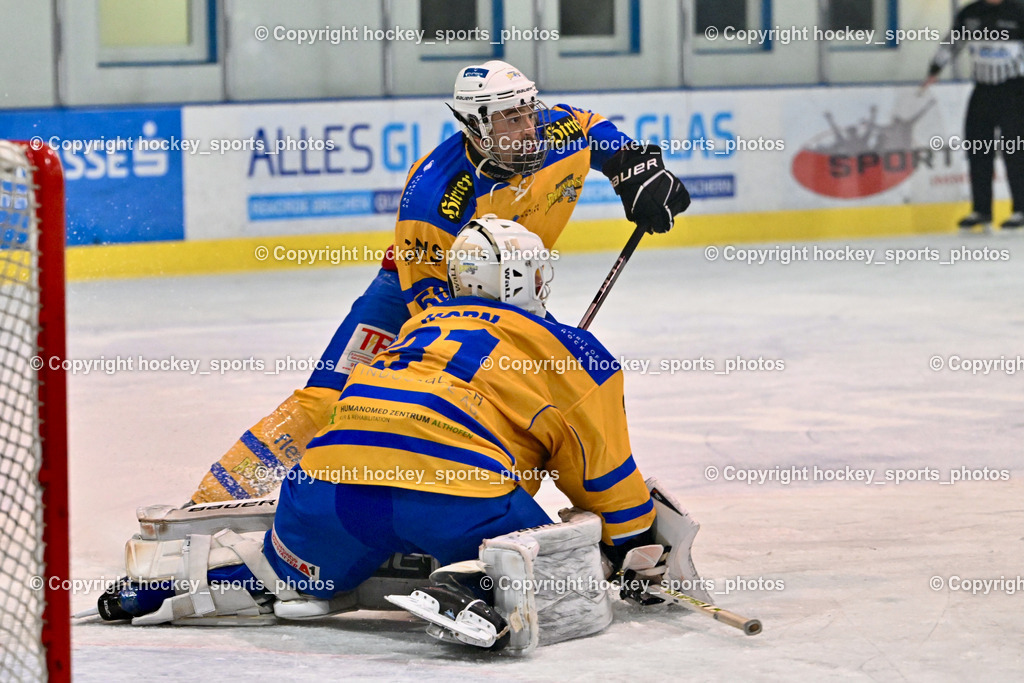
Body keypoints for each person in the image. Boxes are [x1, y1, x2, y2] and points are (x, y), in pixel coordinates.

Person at [101, 218, 682, 652]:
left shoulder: (414, 326)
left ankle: (159, 586)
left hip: (327, 491)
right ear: (531, 279)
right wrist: (632, 548)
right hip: (453, 497)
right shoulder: (576, 355)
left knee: (290, 579)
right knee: (562, 556)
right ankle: (472, 580)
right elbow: (604, 483)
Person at [188, 60, 691, 505]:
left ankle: (587, 500)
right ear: (475, 126)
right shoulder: (436, 194)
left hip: (514, 290)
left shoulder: (554, 131)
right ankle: (218, 498)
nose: (528, 127)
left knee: (567, 380)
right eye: (510, 118)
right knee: (327, 399)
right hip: (409, 292)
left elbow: (594, 131)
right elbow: (432, 310)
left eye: (528, 111)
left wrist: (636, 170)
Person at [923, 0, 1024, 231]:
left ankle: (1021, 209)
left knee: (1015, 151)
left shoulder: (1018, 11)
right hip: (983, 89)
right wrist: (934, 70)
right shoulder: (970, 12)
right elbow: (952, 42)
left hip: (1015, 90)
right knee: (978, 149)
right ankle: (981, 210)